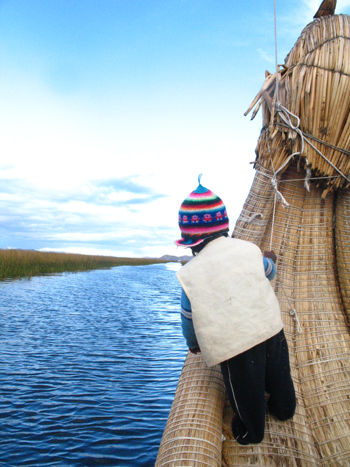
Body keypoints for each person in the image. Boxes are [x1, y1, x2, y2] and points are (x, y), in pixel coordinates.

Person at [175, 178, 296, 445]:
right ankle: (284, 408)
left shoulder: (190, 274)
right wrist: (271, 259)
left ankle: (249, 431)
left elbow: (188, 318)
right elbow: (269, 271)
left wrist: (193, 344)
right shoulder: (249, 250)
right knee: (279, 373)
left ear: (191, 242)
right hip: (271, 330)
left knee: (245, 389)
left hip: (236, 346)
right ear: (225, 227)